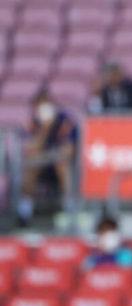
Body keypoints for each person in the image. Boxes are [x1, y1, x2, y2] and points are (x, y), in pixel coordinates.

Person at [17, 90, 78, 227]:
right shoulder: (32, 123)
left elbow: (69, 150)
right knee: (30, 167)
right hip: (41, 166)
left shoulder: (65, 121)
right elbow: (30, 151)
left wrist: (51, 155)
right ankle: (24, 214)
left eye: (45, 105)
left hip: (62, 165)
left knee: (61, 164)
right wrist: (45, 130)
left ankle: (69, 210)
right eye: (39, 106)